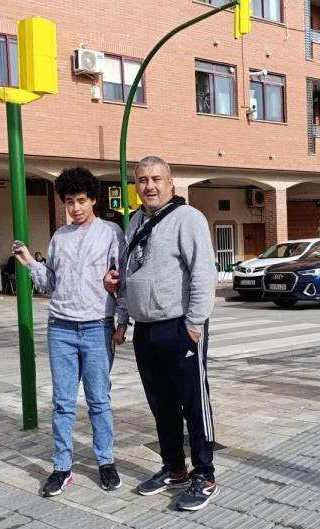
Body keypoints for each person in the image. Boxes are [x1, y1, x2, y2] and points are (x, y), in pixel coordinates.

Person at [104, 156, 218, 511]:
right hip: (146, 329)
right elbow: (126, 276)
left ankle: (205, 474)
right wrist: (122, 316)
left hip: (180, 326)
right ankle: (175, 468)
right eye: (142, 180)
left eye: (156, 178)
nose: (149, 185)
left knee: (193, 403)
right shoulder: (135, 221)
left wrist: (195, 326)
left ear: (171, 183)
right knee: (161, 404)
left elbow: (203, 274)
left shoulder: (188, 219)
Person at [12, 167, 126, 497]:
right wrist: (28, 262)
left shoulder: (111, 233)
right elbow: (50, 283)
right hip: (60, 327)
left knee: (99, 401)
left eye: (80, 201)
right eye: (69, 202)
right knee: (62, 403)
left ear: (93, 200)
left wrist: (122, 322)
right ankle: (62, 468)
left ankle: (105, 461)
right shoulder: (59, 237)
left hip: (96, 326)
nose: (75, 208)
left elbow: (121, 281)